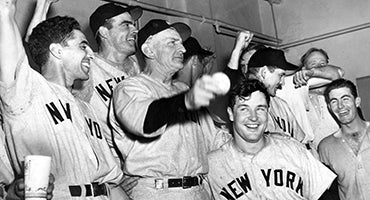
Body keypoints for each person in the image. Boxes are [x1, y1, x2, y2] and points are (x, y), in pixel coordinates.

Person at [0, 0, 126, 199]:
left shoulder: (86, 108)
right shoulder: (28, 93)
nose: (91, 53)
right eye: (83, 46)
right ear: (57, 51)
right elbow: (6, 10)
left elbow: (110, 183)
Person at [109, 19, 231, 199]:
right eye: (172, 43)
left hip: (199, 191)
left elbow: (215, 140)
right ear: (149, 50)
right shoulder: (130, 88)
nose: (182, 49)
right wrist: (186, 101)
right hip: (159, 192)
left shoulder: (183, 89)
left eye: (181, 44)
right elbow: (146, 122)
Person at [207, 78, 336, 200]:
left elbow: (326, 194)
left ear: (268, 111)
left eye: (260, 109)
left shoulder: (293, 150)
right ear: (231, 113)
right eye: (244, 109)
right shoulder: (212, 165)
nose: (253, 117)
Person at [226, 34, 306, 142]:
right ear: (264, 72)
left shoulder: (281, 105)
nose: (282, 82)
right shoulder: (242, 102)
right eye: (280, 75)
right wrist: (237, 50)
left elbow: (301, 140)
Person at [319, 78, 370, 200]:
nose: (340, 106)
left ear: (357, 102)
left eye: (345, 99)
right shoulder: (325, 147)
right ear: (330, 108)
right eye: (334, 102)